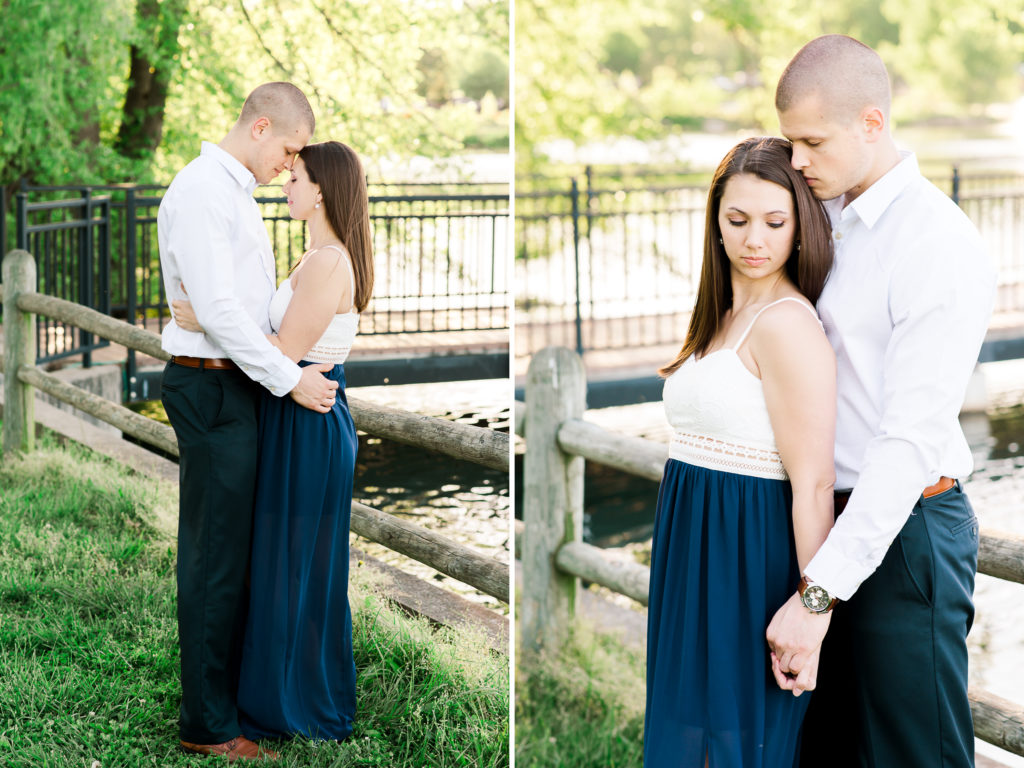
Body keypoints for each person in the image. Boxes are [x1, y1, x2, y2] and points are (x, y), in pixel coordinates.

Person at [766, 35, 997, 768]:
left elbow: (907, 440)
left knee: (912, 756)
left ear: (872, 123)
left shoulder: (937, 243)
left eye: (812, 141)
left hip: (905, 534)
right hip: (818, 522)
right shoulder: (821, 218)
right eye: (789, 141)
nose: (797, 161)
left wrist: (816, 598)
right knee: (825, 750)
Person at [158, 82, 339, 761]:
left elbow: (233, 305)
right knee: (213, 560)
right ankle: (206, 726)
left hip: (231, 384)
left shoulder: (232, 193)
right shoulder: (206, 190)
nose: (290, 167)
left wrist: (212, 314)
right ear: (261, 127)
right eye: (289, 150)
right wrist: (290, 379)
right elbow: (221, 309)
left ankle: (226, 698)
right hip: (212, 391)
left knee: (231, 554)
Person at [172, 140, 374, 745]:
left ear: (322, 191)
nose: (287, 181)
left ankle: (298, 702)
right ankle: (267, 690)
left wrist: (206, 317)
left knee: (296, 568)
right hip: (291, 411)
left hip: (305, 422)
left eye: (299, 175)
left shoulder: (328, 263)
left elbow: (282, 354)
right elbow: (276, 340)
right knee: (280, 562)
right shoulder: (316, 257)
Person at [644, 136, 836, 767]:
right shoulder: (721, 314)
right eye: (738, 220)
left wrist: (814, 613)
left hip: (747, 558)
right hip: (689, 551)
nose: (755, 239)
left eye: (774, 222)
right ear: (716, 224)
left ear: (800, 226)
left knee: (736, 745)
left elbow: (812, 485)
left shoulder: (786, 323)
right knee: (689, 735)